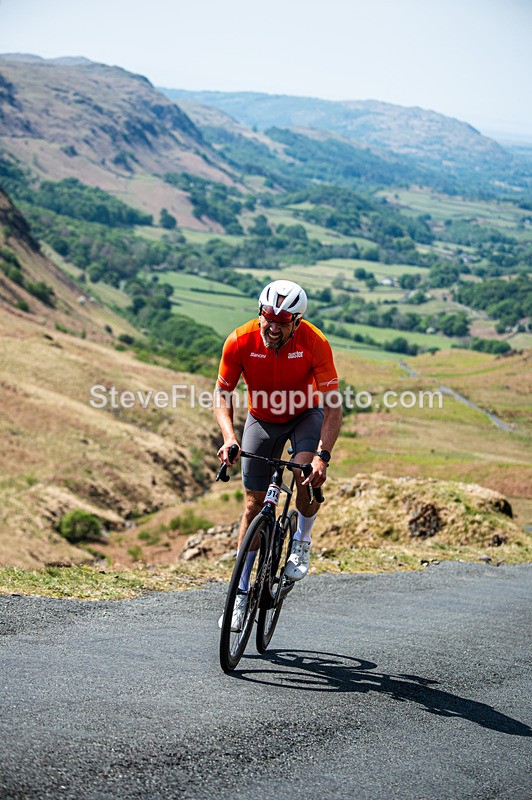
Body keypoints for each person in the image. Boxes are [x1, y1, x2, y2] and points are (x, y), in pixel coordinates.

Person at [214, 279, 342, 630]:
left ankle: (302, 538)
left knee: (304, 472)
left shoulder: (315, 343)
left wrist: (322, 457)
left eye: (281, 322)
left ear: (296, 322)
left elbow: (333, 407)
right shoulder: (240, 340)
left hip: (305, 414)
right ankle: (240, 595)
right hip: (262, 419)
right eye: (266, 318)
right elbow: (221, 394)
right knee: (253, 506)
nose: (272, 327)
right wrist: (229, 438)